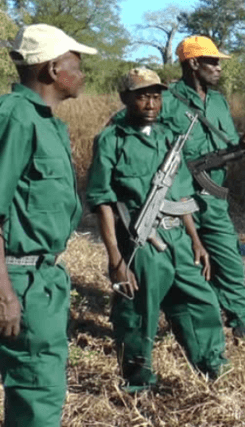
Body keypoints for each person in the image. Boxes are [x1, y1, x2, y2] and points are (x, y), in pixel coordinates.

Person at [86, 68, 227, 391]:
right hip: (141, 241)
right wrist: (116, 259)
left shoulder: (167, 136)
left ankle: (212, 367)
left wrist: (196, 241)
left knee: (200, 301)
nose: (150, 103)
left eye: (155, 96)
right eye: (142, 96)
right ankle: (138, 383)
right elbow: (102, 201)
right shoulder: (112, 140)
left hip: (177, 235)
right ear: (125, 99)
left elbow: (179, 194)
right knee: (139, 313)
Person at [0, 24, 96, 427]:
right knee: (37, 396)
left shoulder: (46, 122)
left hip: (42, 278)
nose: (83, 73)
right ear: (54, 69)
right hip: (18, 279)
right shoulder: (16, 119)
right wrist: (5, 295)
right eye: (77, 63)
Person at [159, 36, 245, 338]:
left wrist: (244, 144)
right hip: (178, 198)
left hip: (214, 197)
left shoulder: (218, 101)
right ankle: (188, 325)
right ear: (193, 63)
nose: (218, 68)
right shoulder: (166, 100)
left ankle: (240, 321)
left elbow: (227, 144)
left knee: (229, 260)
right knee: (182, 265)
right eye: (212, 62)